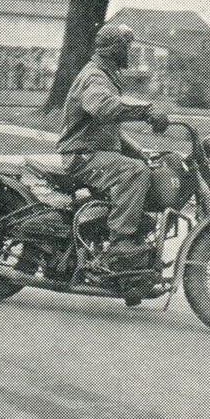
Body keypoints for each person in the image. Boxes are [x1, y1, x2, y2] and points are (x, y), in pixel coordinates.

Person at [57, 22, 169, 262]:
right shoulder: (95, 77)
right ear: (115, 49)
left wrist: (141, 152)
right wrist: (146, 111)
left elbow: (110, 131)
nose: (129, 50)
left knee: (141, 165)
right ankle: (121, 243)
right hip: (83, 155)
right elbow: (103, 107)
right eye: (126, 46)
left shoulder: (106, 76)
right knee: (134, 172)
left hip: (93, 152)